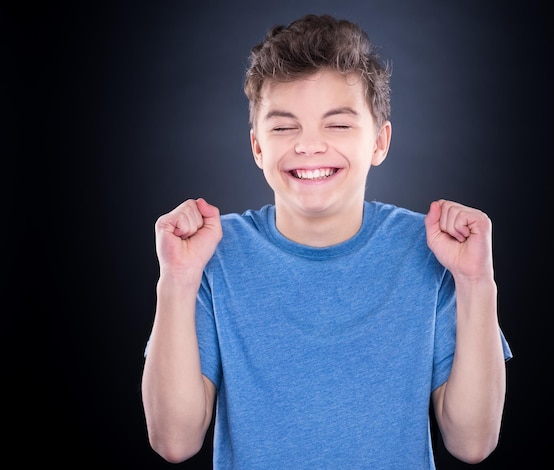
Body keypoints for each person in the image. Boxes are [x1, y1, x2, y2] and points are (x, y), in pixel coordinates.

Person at [141, 13, 512, 468]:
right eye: (283, 127)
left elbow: (472, 442)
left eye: (337, 124)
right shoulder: (211, 254)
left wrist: (478, 282)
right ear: (258, 147)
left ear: (379, 141)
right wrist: (176, 280)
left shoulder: (434, 250)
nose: (309, 145)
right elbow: (174, 441)